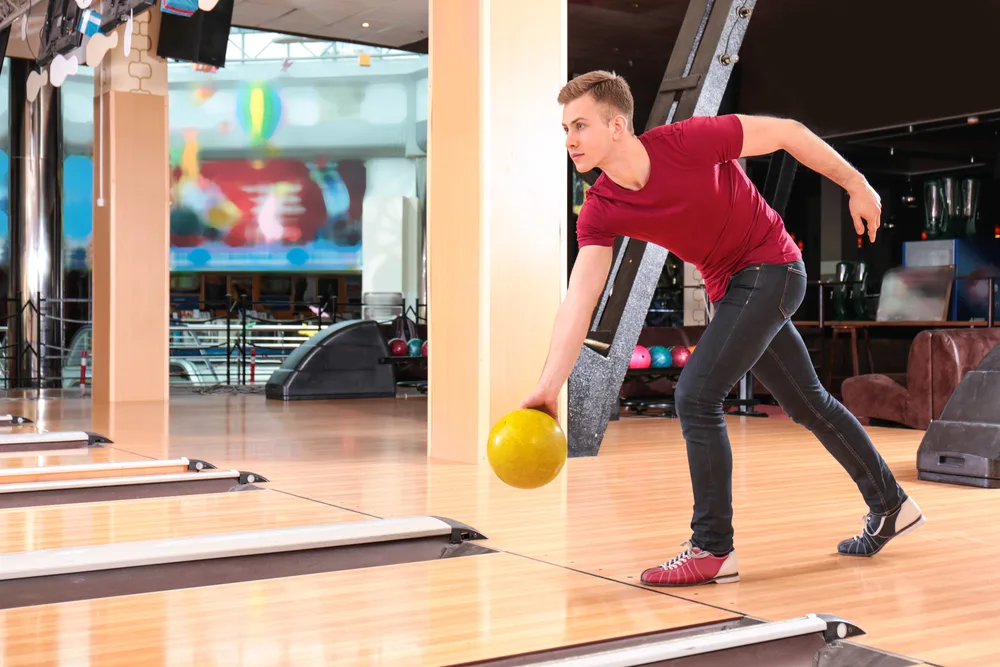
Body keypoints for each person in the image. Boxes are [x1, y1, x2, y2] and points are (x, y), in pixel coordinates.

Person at [520, 70, 925, 587]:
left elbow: (788, 133)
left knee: (695, 395)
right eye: (565, 130)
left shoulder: (687, 141)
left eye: (579, 126)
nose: (570, 140)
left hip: (772, 269)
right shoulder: (601, 207)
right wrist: (549, 386)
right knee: (808, 403)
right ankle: (892, 505)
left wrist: (857, 184)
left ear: (616, 125)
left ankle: (712, 548)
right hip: (731, 290)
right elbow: (580, 298)